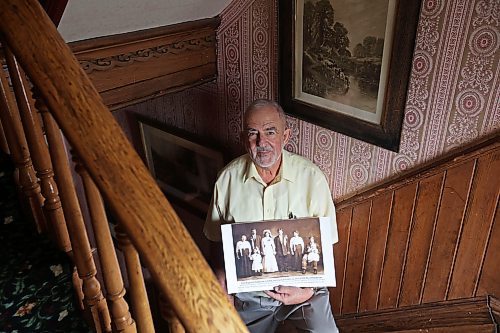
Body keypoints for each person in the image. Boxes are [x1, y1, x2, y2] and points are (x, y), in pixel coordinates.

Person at [204, 99, 339, 333]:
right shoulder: (226, 180)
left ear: (285, 137)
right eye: (253, 133)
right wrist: (220, 279)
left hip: (304, 292)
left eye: (270, 131)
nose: (261, 142)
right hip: (251, 296)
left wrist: (308, 291)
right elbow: (216, 240)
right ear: (243, 138)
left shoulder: (312, 178)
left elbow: (326, 246)